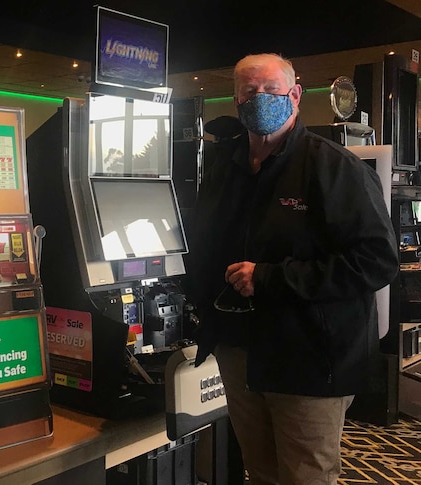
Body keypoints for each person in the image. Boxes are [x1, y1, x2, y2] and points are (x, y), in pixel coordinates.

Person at [188, 53, 399, 485]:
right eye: (250, 92)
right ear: (236, 98)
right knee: (261, 472)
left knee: (306, 477)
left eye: (271, 90)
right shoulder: (222, 168)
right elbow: (204, 245)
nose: (259, 99)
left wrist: (269, 278)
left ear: (296, 95)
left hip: (309, 356)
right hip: (239, 350)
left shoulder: (335, 167)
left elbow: (377, 259)